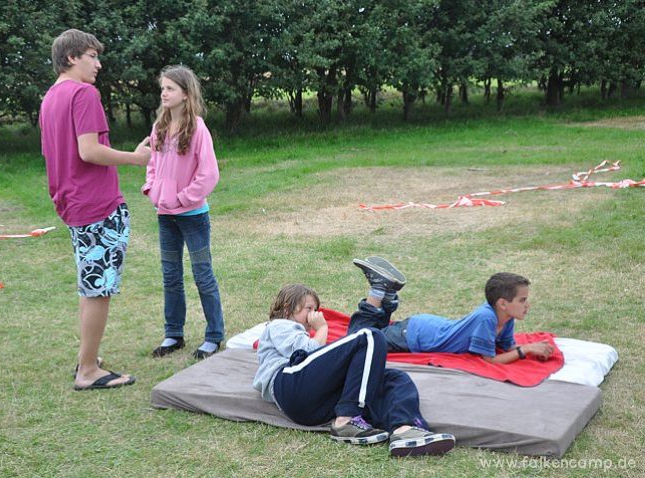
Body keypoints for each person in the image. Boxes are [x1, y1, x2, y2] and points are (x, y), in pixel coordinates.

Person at [40, 29, 150, 390]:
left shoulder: (51, 97)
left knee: (91, 284)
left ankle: (88, 357)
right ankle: (87, 370)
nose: (98, 64)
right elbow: (89, 151)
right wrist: (136, 158)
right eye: (92, 56)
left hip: (73, 202)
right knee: (98, 289)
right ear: (72, 57)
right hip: (96, 204)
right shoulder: (84, 93)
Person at [253, 284, 456, 457]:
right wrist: (322, 329)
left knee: (394, 378)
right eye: (309, 308)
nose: (315, 315)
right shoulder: (279, 325)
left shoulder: (297, 334)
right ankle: (346, 419)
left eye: (316, 309)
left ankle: (404, 429)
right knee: (369, 336)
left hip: (316, 408)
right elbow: (305, 352)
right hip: (290, 386)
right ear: (287, 308)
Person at [142, 65, 225, 360]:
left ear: (186, 94)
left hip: (193, 216)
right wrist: (152, 190)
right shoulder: (159, 127)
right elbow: (153, 165)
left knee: (203, 275)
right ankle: (173, 334)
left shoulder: (198, 129)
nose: (164, 93)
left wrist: (182, 198)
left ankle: (214, 336)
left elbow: (209, 174)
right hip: (165, 216)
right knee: (171, 276)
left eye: (170, 88)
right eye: (162, 88)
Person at [348, 257, 554, 363]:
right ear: (503, 303)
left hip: (423, 328)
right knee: (358, 341)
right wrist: (526, 350)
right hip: (413, 336)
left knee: (375, 333)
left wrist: (534, 347)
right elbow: (491, 360)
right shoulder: (487, 318)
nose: (527, 305)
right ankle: (378, 289)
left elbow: (507, 347)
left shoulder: (506, 318)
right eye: (522, 300)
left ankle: (388, 294)